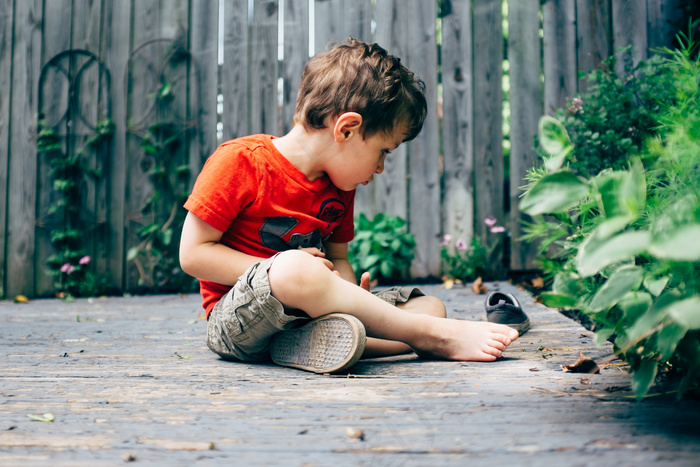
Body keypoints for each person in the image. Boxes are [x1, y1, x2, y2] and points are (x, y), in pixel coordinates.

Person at [179, 37, 519, 374]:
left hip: (307, 319)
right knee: (295, 269)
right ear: (347, 129)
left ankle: (332, 341)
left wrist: (347, 294)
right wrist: (285, 269)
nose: (381, 167)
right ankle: (428, 337)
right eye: (384, 150)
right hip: (236, 323)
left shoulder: (338, 187)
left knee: (430, 305)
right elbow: (193, 255)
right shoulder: (241, 162)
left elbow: (338, 259)